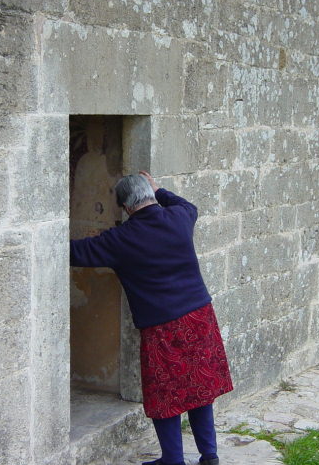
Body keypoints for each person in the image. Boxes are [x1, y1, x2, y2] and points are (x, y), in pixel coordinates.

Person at [70, 171, 233, 465]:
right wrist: (160, 190)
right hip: (199, 317)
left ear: (125, 206)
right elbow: (189, 206)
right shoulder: (180, 218)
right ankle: (209, 455)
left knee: (165, 393)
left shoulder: (119, 240)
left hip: (162, 326)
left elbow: (75, 252)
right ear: (150, 194)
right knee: (200, 386)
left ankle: (172, 459)